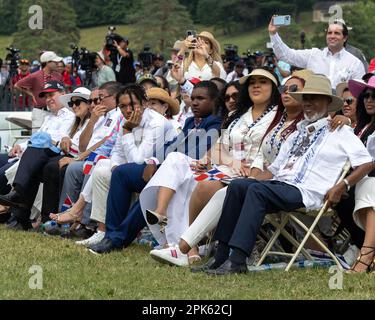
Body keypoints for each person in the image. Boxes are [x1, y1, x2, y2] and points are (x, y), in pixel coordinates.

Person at [196, 74, 374, 275]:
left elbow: (366, 163)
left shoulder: (340, 132)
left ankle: (237, 260)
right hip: (282, 186)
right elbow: (273, 171)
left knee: (256, 191)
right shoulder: (296, 134)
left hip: (308, 193)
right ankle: (220, 257)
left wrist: (342, 185)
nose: (307, 103)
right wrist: (248, 179)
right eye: (305, 99)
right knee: (238, 186)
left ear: (328, 103)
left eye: (314, 98)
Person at [144, 68, 280, 263]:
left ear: (274, 87)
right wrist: (227, 161)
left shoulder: (279, 117)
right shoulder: (239, 115)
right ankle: (177, 242)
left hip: (258, 174)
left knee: (204, 185)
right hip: (228, 167)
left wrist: (249, 170)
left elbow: (271, 152)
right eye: (252, 82)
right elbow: (218, 148)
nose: (256, 85)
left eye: (263, 82)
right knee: (181, 171)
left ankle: (187, 247)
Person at [88, 81, 222, 254]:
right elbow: (171, 145)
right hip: (167, 167)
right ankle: (110, 234)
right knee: (121, 173)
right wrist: (153, 160)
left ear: (214, 101)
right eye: (193, 98)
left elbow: (195, 153)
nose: (194, 102)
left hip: (188, 173)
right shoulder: (190, 121)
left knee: (150, 187)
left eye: (201, 99)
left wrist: (155, 161)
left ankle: (117, 239)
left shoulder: (215, 124)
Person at [0, 81, 76, 230]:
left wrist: (32, 144)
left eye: (52, 95)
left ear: (63, 94)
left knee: (3, 173)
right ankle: (15, 207)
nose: (48, 99)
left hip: (51, 153)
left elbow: (56, 140)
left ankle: (16, 198)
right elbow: (35, 139)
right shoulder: (49, 117)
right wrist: (19, 146)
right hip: (35, 151)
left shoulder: (69, 116)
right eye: (46, 96)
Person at [338, 76, 375, 272]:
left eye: (374, 96)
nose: (369, 100)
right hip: (361, 179)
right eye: (366, 96)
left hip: (368, 181)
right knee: (343, 198)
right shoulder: (362, 126)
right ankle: (365, 250)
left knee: (368, 188)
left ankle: (365, 257)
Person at [269, 17, 365, 88]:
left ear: (344, 38)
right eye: (329, 32)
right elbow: (286, 55)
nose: (332, 36)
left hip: (341, 112)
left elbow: (358, 91)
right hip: (313, 109)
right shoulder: (313, 55)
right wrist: (273, 34)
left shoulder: (355, 63)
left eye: (337, 33)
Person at [14, 51, 64, 131]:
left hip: (55, 112)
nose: (58, 64)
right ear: (48, 63)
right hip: (40, 112)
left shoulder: (58, 76)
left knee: (54, 137)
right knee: (37, 139)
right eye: (55, 62)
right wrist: (31, 94)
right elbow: (17, 85)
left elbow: (61, 91)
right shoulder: (35, 75)